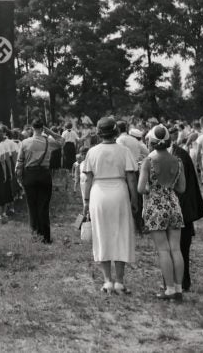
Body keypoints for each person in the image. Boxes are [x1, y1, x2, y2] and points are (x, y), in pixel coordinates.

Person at [82, 117, 138, 294]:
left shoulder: (92, 152)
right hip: (119, 192)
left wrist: (85, 201)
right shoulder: (124, 151)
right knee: (121, 234)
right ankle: (119, 281)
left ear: (99, 133)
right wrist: (134, 198)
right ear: (115, 132)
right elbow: (131, 177)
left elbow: (88, 179)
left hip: (99, 193)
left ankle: (107, 280)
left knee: (101, 234)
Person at [139, 125, 186, 301]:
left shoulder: (148, 161)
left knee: (163, 250)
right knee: (176, 248)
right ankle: (179, 289)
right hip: (174, 205)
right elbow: (182, 188)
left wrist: (150, 187)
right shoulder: (178, 161)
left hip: (155, 206)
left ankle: (169, 289)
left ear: (151, 142)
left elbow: (140, 188)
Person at [168, 127, 203, 292]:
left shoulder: (179, 157)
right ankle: (178, 282)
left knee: (180, 248)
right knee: (176, 248)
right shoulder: (176, 154)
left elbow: (182, 189)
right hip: (179, 209)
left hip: (181, 210)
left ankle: (181, 283)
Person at [15, 119, 64, 243]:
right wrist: (50, 131)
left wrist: (20, 179)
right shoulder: (48, 141)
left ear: (31, 128)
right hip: (44, 174)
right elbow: (62, 141)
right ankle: (46, 237)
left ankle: (35, 235)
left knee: (32, 207)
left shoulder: (25, 142)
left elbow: (19, 163)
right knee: (43, 206)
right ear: (43, 128)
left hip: (29, 174)